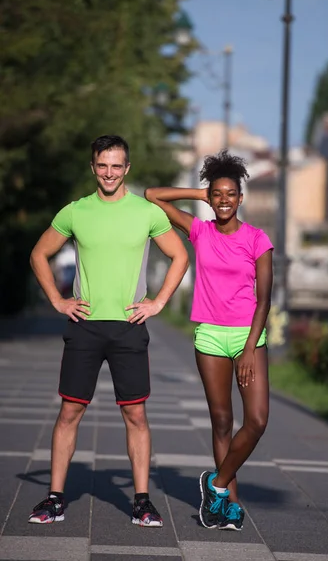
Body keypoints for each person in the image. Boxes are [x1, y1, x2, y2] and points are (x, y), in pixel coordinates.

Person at [28, 134, 189, 527]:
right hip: (84, 325)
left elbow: (180, 255)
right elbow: (39, 253)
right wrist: (58, 300)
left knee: (135, 414)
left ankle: (141, 501)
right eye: (103, 165)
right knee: (70, 411)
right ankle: (55, 498)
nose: (110, 173)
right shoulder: (76, 212)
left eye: (117, 166)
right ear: (93, 167)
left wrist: (158, 302)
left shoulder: (147, 213)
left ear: (127, 169)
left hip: (129, 326)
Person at [145, 150, 273, 532]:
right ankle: (228, 505)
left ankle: (215, 483)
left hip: (248, 336)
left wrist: (250, 348)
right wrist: (200, 195)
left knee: (257, 420)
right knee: (221, 421)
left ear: (241, 198)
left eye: (230, 194)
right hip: (210, 336)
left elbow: (265, 299)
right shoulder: (200, 231)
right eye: (217, 194)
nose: (223, 200)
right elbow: (153, 194)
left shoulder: (257, 239)